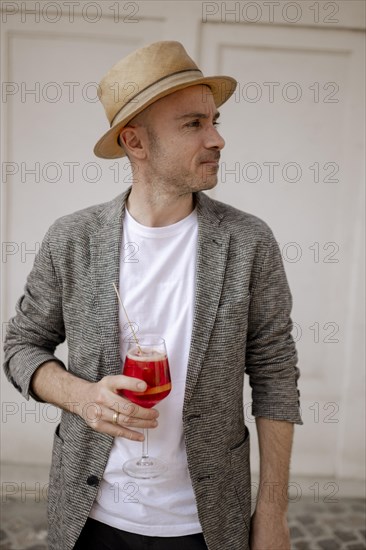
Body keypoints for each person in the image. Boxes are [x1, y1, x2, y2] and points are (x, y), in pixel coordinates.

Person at [3, 41, 302, 550]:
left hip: (204, 525)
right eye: (193, 125)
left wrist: (271, 512)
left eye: (215, 120)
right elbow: (19, 348)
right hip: (88, 519)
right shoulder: (70, 239)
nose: (217, 139)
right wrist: (83, 398)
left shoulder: (250, 242)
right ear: (135, 142)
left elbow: (275, 374)